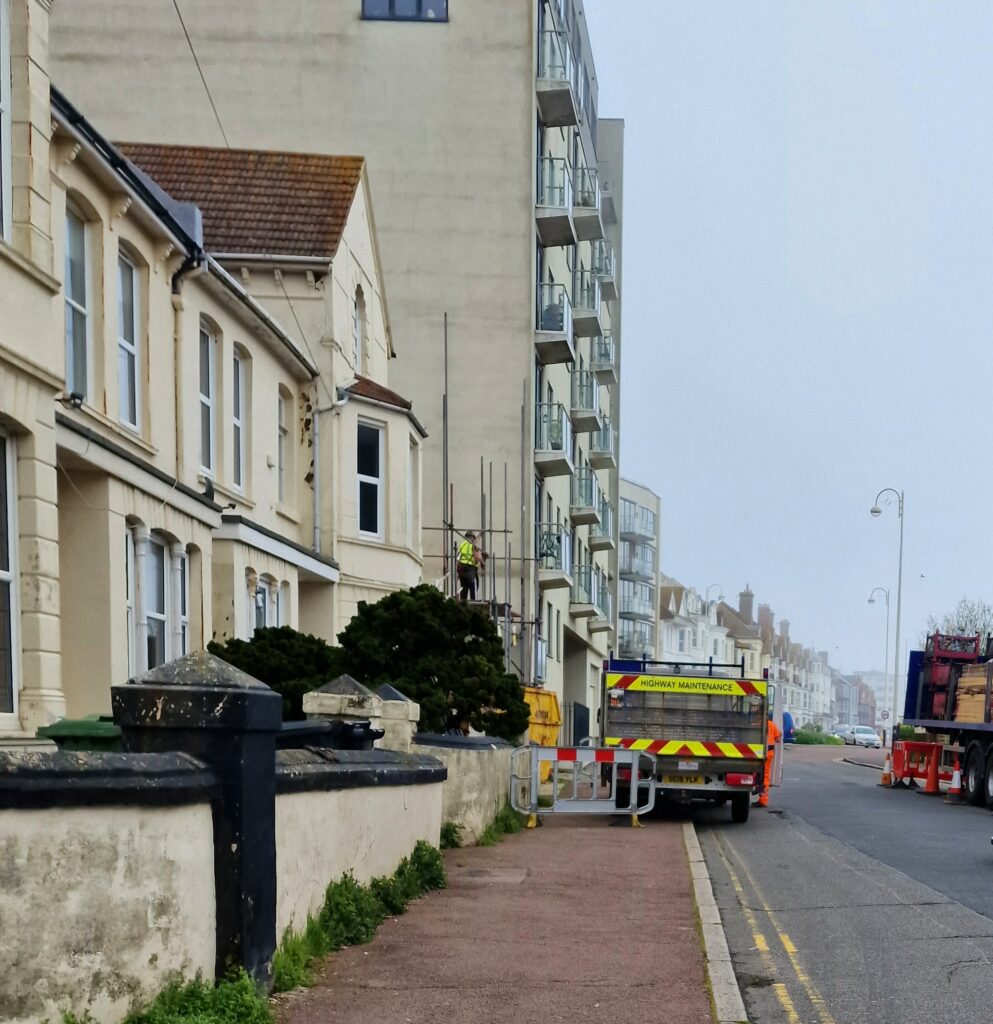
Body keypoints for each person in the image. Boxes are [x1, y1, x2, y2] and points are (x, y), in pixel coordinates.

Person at [758, 712, 782, 808]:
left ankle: (760, 796)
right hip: (768, 753)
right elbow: (778, 739)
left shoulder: (758, 724)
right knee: (766, 776)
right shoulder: (772, 725)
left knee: (758, 774)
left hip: (758, 753)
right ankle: (763, 800)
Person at [457, 531, 480, 601]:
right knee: (473, 588)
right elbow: (476, 557)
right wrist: (481, 563)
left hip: (462, 568)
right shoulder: (473, 545)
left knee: (464, 588)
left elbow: (458, 557)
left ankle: (463, 604)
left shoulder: (462, 544)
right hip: (471, 568)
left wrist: (458, 570)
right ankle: (474, 604)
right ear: (472, 537)